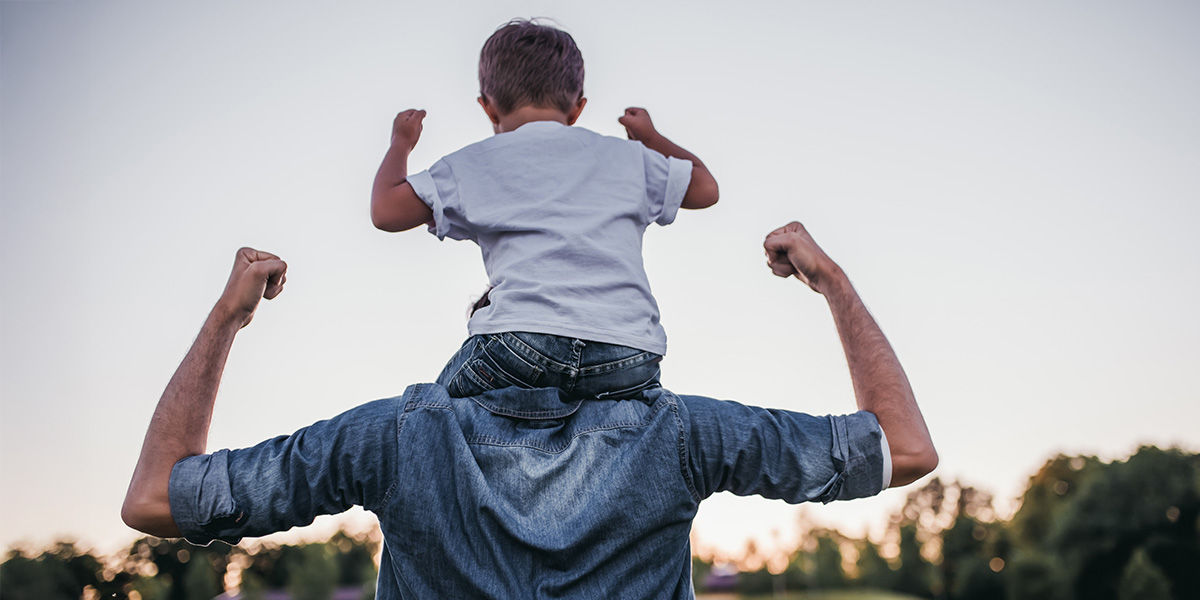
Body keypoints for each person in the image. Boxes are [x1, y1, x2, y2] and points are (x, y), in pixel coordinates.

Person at [121, 221, 938, 599]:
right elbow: (903, 447)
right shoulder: (680, 433)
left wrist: (227, 317)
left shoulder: (395, 439)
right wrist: (829, 280)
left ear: (484, 330)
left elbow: (155, 498)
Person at [369, 19, 720, 401]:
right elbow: (706, 188)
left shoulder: (475, 163)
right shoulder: (627, 158)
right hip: (629, 354)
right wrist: (650, 138)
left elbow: (386, 211)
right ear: (578, 108)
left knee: (431, 413)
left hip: (521, 346)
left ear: (488, 108)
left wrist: (400, 144)